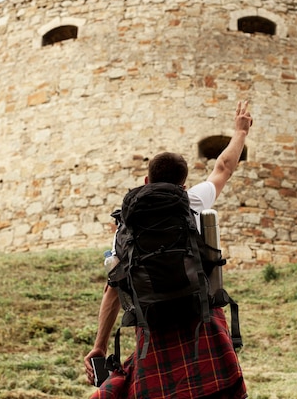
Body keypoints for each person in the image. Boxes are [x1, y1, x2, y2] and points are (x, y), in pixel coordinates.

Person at [84, 100, 253, 399]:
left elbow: (112, 289)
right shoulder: (193, 201)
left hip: (153, 328)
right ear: (184, 185)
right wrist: (240, 131)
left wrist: (99, 346)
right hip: (201, 320)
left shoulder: (127, 223)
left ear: (147, 181)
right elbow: (224, 168)